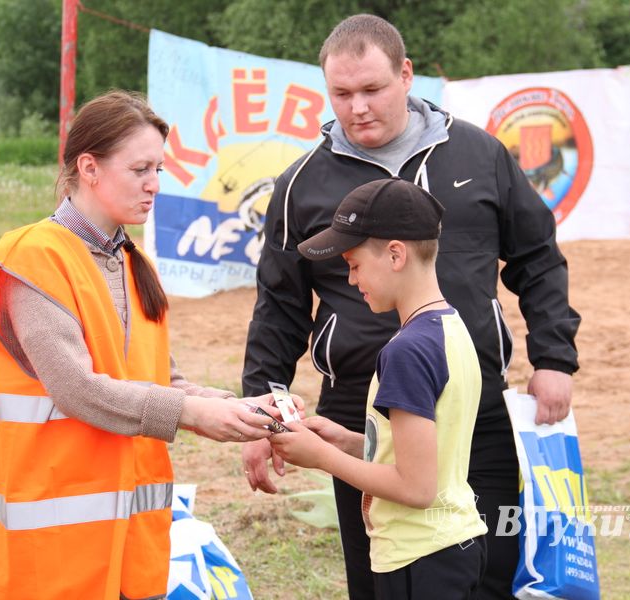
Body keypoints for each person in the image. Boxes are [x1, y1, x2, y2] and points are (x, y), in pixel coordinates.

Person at [241, 14, 580, 600]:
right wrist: (259, 410)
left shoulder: (481, 154)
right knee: (384, 578)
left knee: (490, 575)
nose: (357, 107)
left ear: (406, 75)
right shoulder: (301, 184)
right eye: (341, 94)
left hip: (473, 403)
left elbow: (539, 259)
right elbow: (279, 306)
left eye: (372, 89)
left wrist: (554, 356)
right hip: (359, 404)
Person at [0, 90, 287, 599]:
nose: (155, 185)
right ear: (88, 168)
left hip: (130, 540)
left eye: (159, 169)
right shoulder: (32, 257)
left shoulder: (135, 263)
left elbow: (164, 381)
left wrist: (237, 407)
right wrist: (193, 414)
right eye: (140, 170)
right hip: (50, 549)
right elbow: (76, 388)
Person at [271, 177, 488, 599]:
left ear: (394, 255)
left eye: (353, 265)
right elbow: (425, 454)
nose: (351, 280)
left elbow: (415, 488)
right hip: (451, 544)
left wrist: (324, 458)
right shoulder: (450, 328)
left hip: (417, 557)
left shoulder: (406, 351)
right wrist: (350, 442)